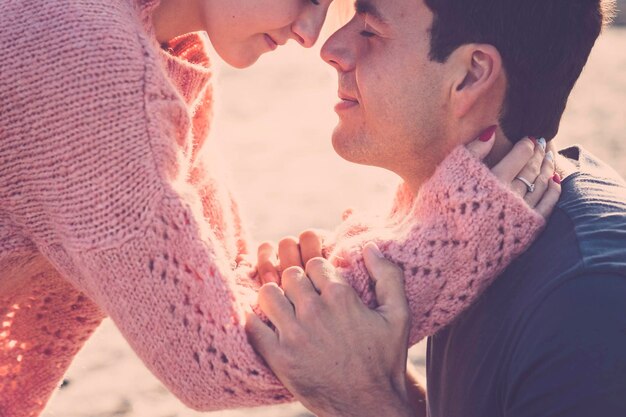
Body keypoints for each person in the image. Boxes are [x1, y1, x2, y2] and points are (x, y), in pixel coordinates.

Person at [0, 1, 558, 416]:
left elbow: (230, 280)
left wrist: (310, 281)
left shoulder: (170, 54)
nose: (312, 34)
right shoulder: (83, 54)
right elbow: (212, 357)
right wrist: (463, 230)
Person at [247, 0, 626, 416]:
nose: (331, 48)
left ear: (471, 74)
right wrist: (373, 376)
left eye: (371, 29)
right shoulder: (474, 238)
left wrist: (363, 403)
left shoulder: (590, 297)